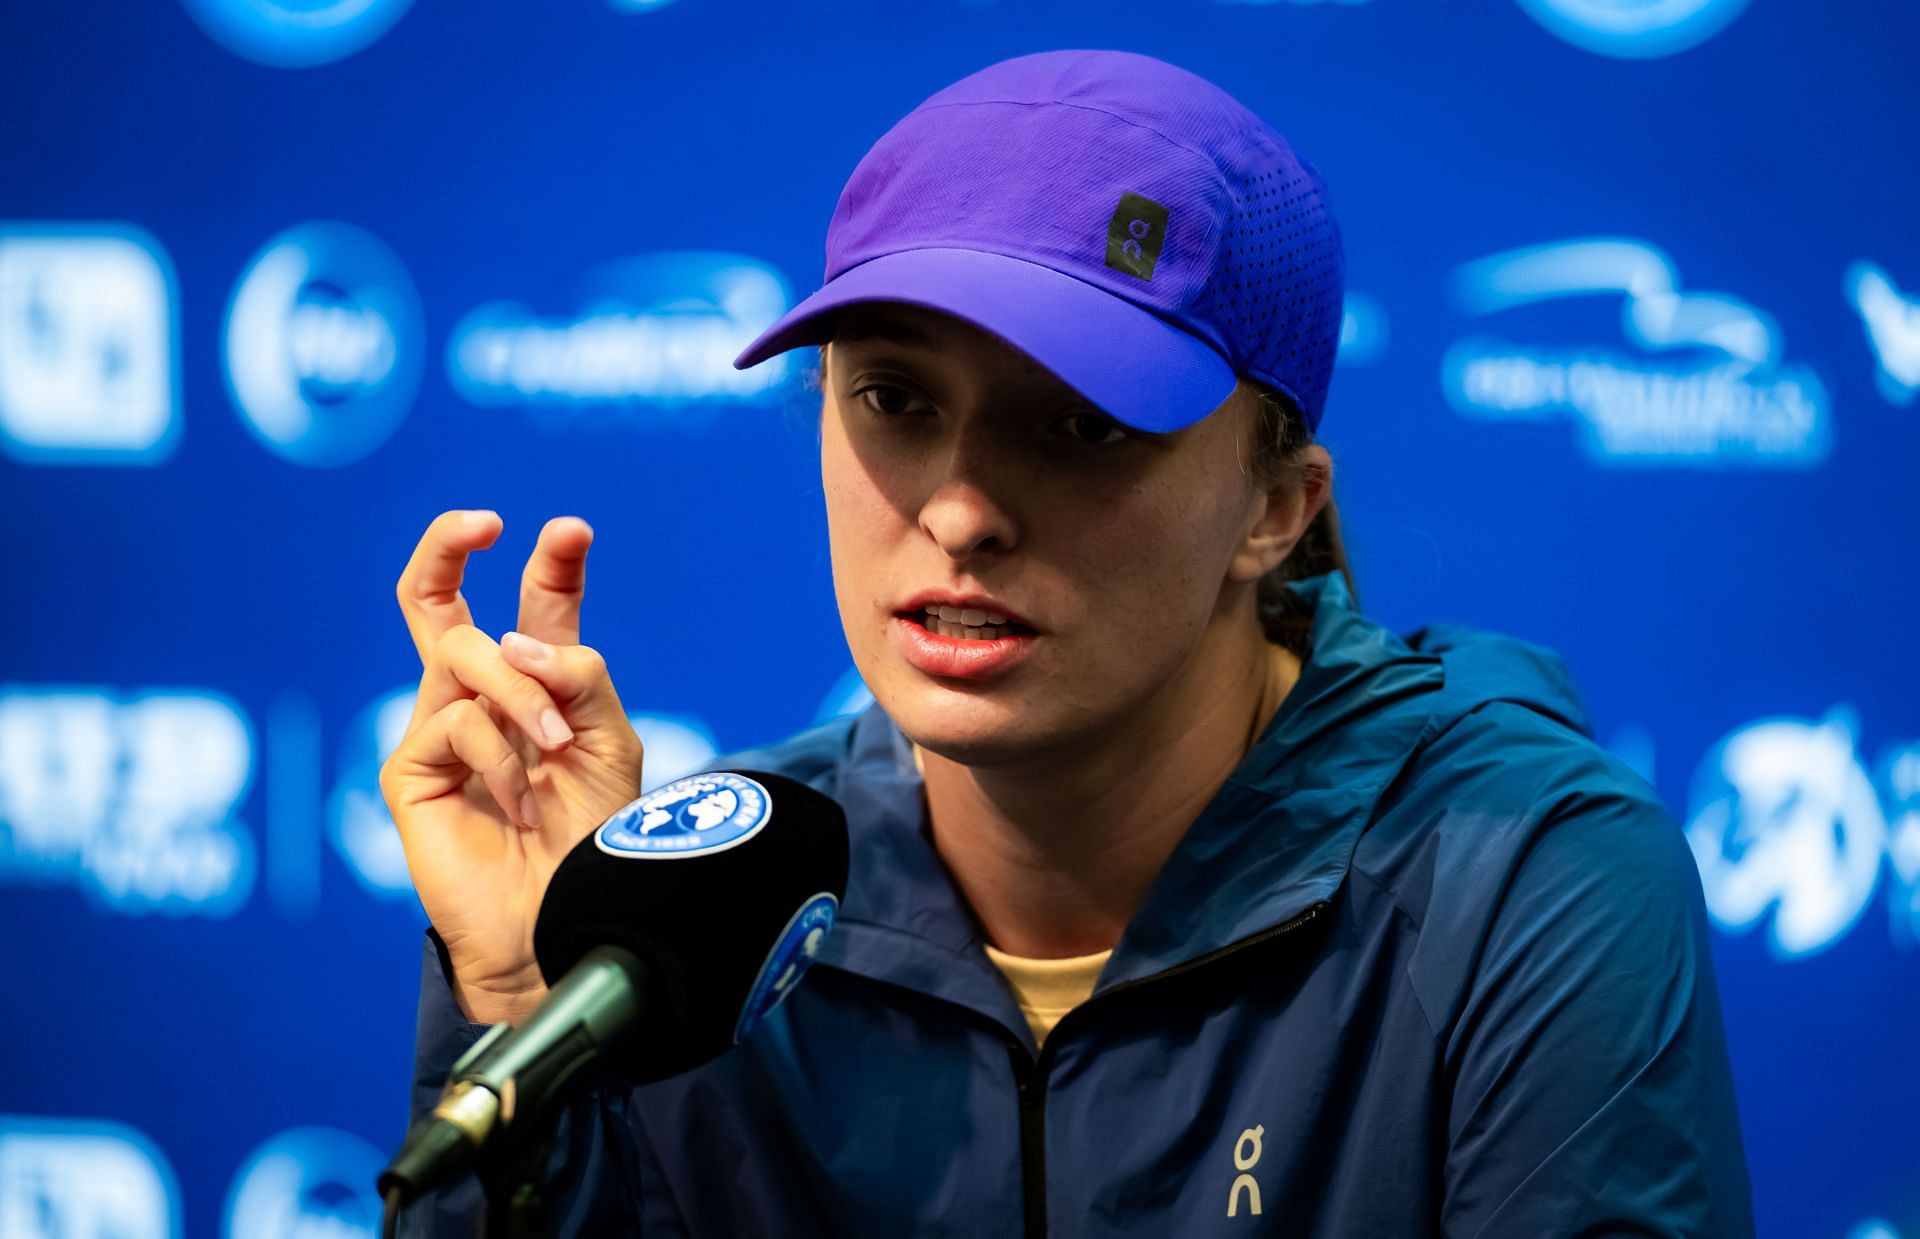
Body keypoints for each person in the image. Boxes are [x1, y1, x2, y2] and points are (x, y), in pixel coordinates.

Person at [382, 48, 1754, 1237]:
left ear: (1275, 509)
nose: (963, 511)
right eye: (895, 399)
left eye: (1083, 423)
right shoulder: (701, 919)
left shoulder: (1520, 880)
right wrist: (521, 1001)